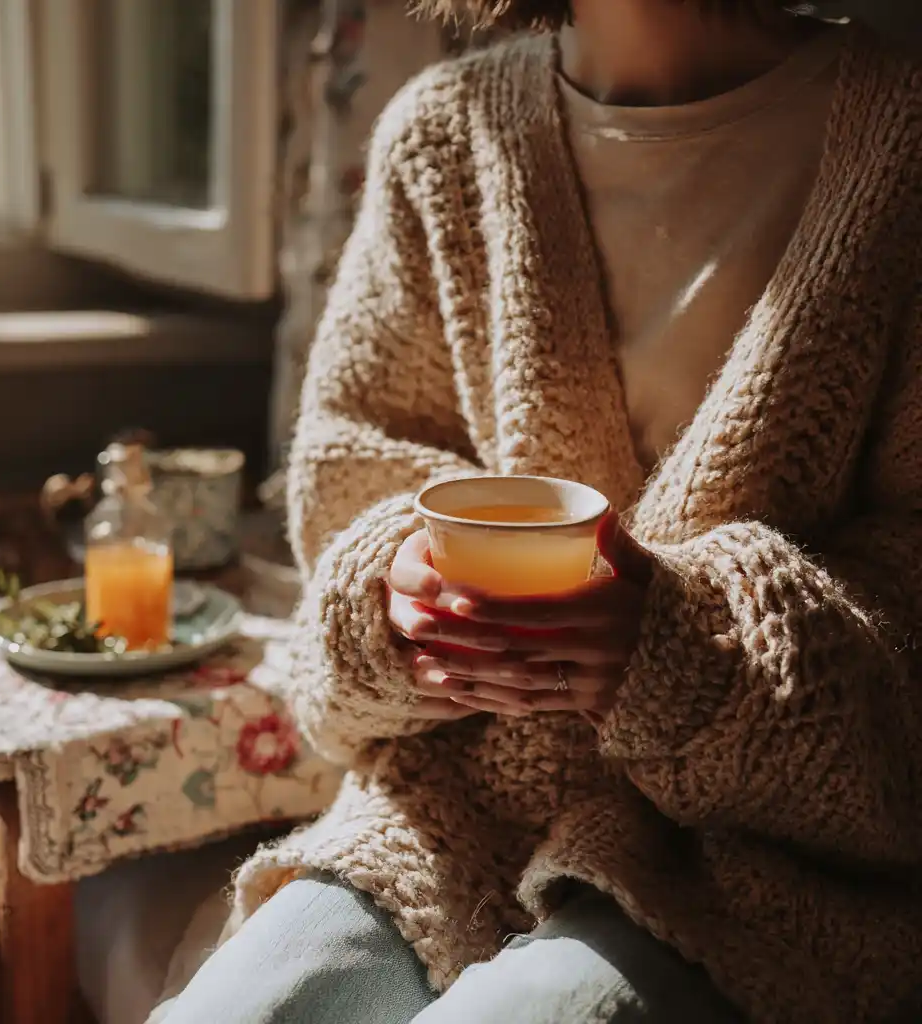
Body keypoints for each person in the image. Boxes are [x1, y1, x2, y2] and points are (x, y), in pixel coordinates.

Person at [160, 1, 922, 1022]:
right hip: (454, 814)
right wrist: (399, 602)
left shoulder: (903, 146)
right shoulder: (443, 133)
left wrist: (684, 654)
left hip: (775, 873)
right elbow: (352, 488)